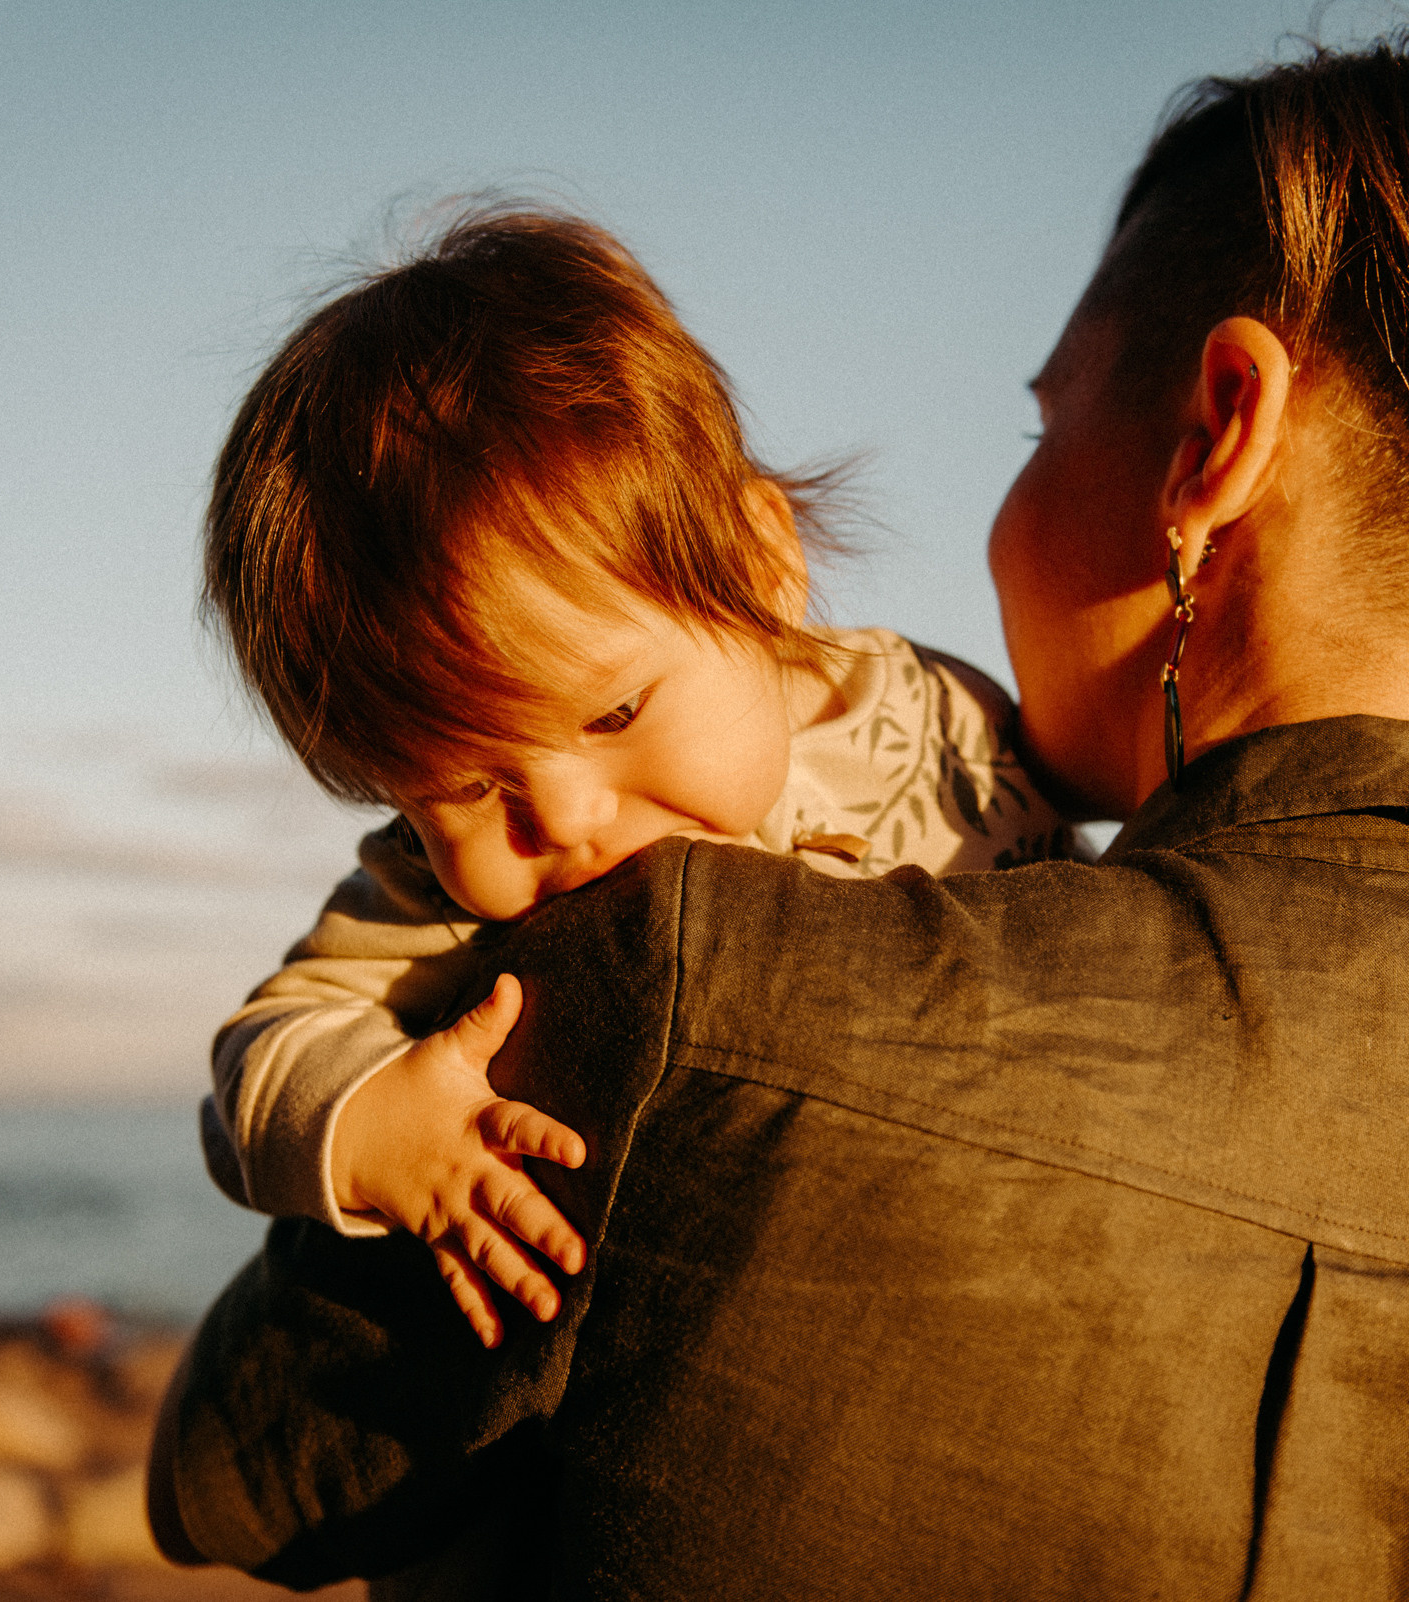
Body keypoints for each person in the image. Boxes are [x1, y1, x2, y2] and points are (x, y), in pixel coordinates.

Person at [153, 19, 1409, 1598]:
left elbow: (228, 1478)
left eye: (1044, 419)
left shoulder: (684, 979)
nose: (998, 524)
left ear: (1220, 430)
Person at [195, 207, 1079, 1347]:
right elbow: (258, 1066)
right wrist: (382, 1132)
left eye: (613, 711)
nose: (558, 815)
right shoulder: (425, 897)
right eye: (458, 786)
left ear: (761, 565)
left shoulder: (950, 712)